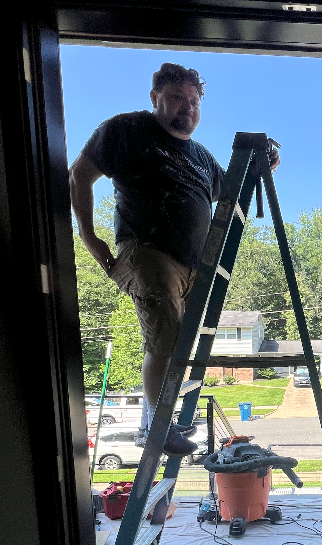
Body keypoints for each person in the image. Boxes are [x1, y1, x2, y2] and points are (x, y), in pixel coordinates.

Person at [70, 62, 278, 456]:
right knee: (165, 329)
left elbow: (231, 189)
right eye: (178, 98)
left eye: (194, 101)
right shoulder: (126, 130)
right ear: (155, 98)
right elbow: (79, 175)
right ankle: (159, 426)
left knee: (176, 341)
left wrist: (262, 169)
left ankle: (156, 421)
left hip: (192, 266)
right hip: (146, 250)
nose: (188, 107)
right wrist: (89, 236)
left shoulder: (200, 156)